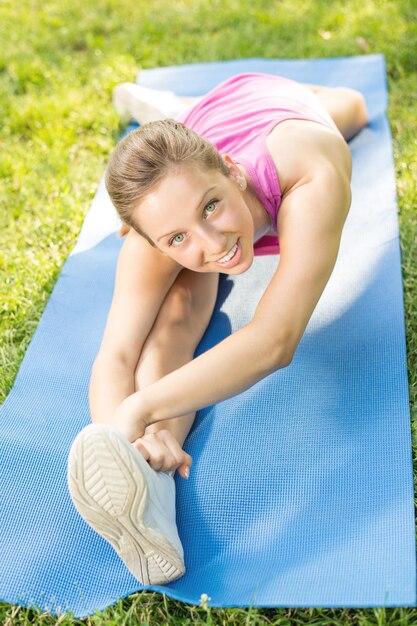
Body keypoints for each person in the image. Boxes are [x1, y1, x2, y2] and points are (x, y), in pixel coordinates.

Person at [67, 72, 369, 586]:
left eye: (212, 206)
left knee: (352, 107)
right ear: (146, 239)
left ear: (231, 170)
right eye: (177, 237)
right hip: (188, 157)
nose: (212, 243)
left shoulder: (310, 172)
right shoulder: (155, 233)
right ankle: (151, 483)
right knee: (179, 309)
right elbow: (117, 353)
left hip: (270, 106)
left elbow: (275, 340)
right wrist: (123, 441)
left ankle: (162, 104)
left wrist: (138, 408)